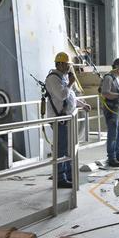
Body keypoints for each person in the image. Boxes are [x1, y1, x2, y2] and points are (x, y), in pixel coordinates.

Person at [45, 51, 81, 188]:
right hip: (58, 119)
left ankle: (68, 174)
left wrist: (81, 104)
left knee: (67, 148)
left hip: (66, 118)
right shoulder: (53, 78)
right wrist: (71, 83)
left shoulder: (63, 77)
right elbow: (61, 95)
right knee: (61, 149)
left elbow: (70, 96)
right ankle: (61, 178)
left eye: (69, 65)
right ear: (59, 64)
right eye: (66, 65)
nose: (68, 68)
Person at [98, 58, 119, 167]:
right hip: (111, 109)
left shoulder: (118, 78)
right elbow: (106, 93)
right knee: (113, 133)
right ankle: (111, 157)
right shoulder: (108, 78)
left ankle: (118, 154)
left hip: (118, 108)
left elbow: (118, 90)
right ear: (117, 67)